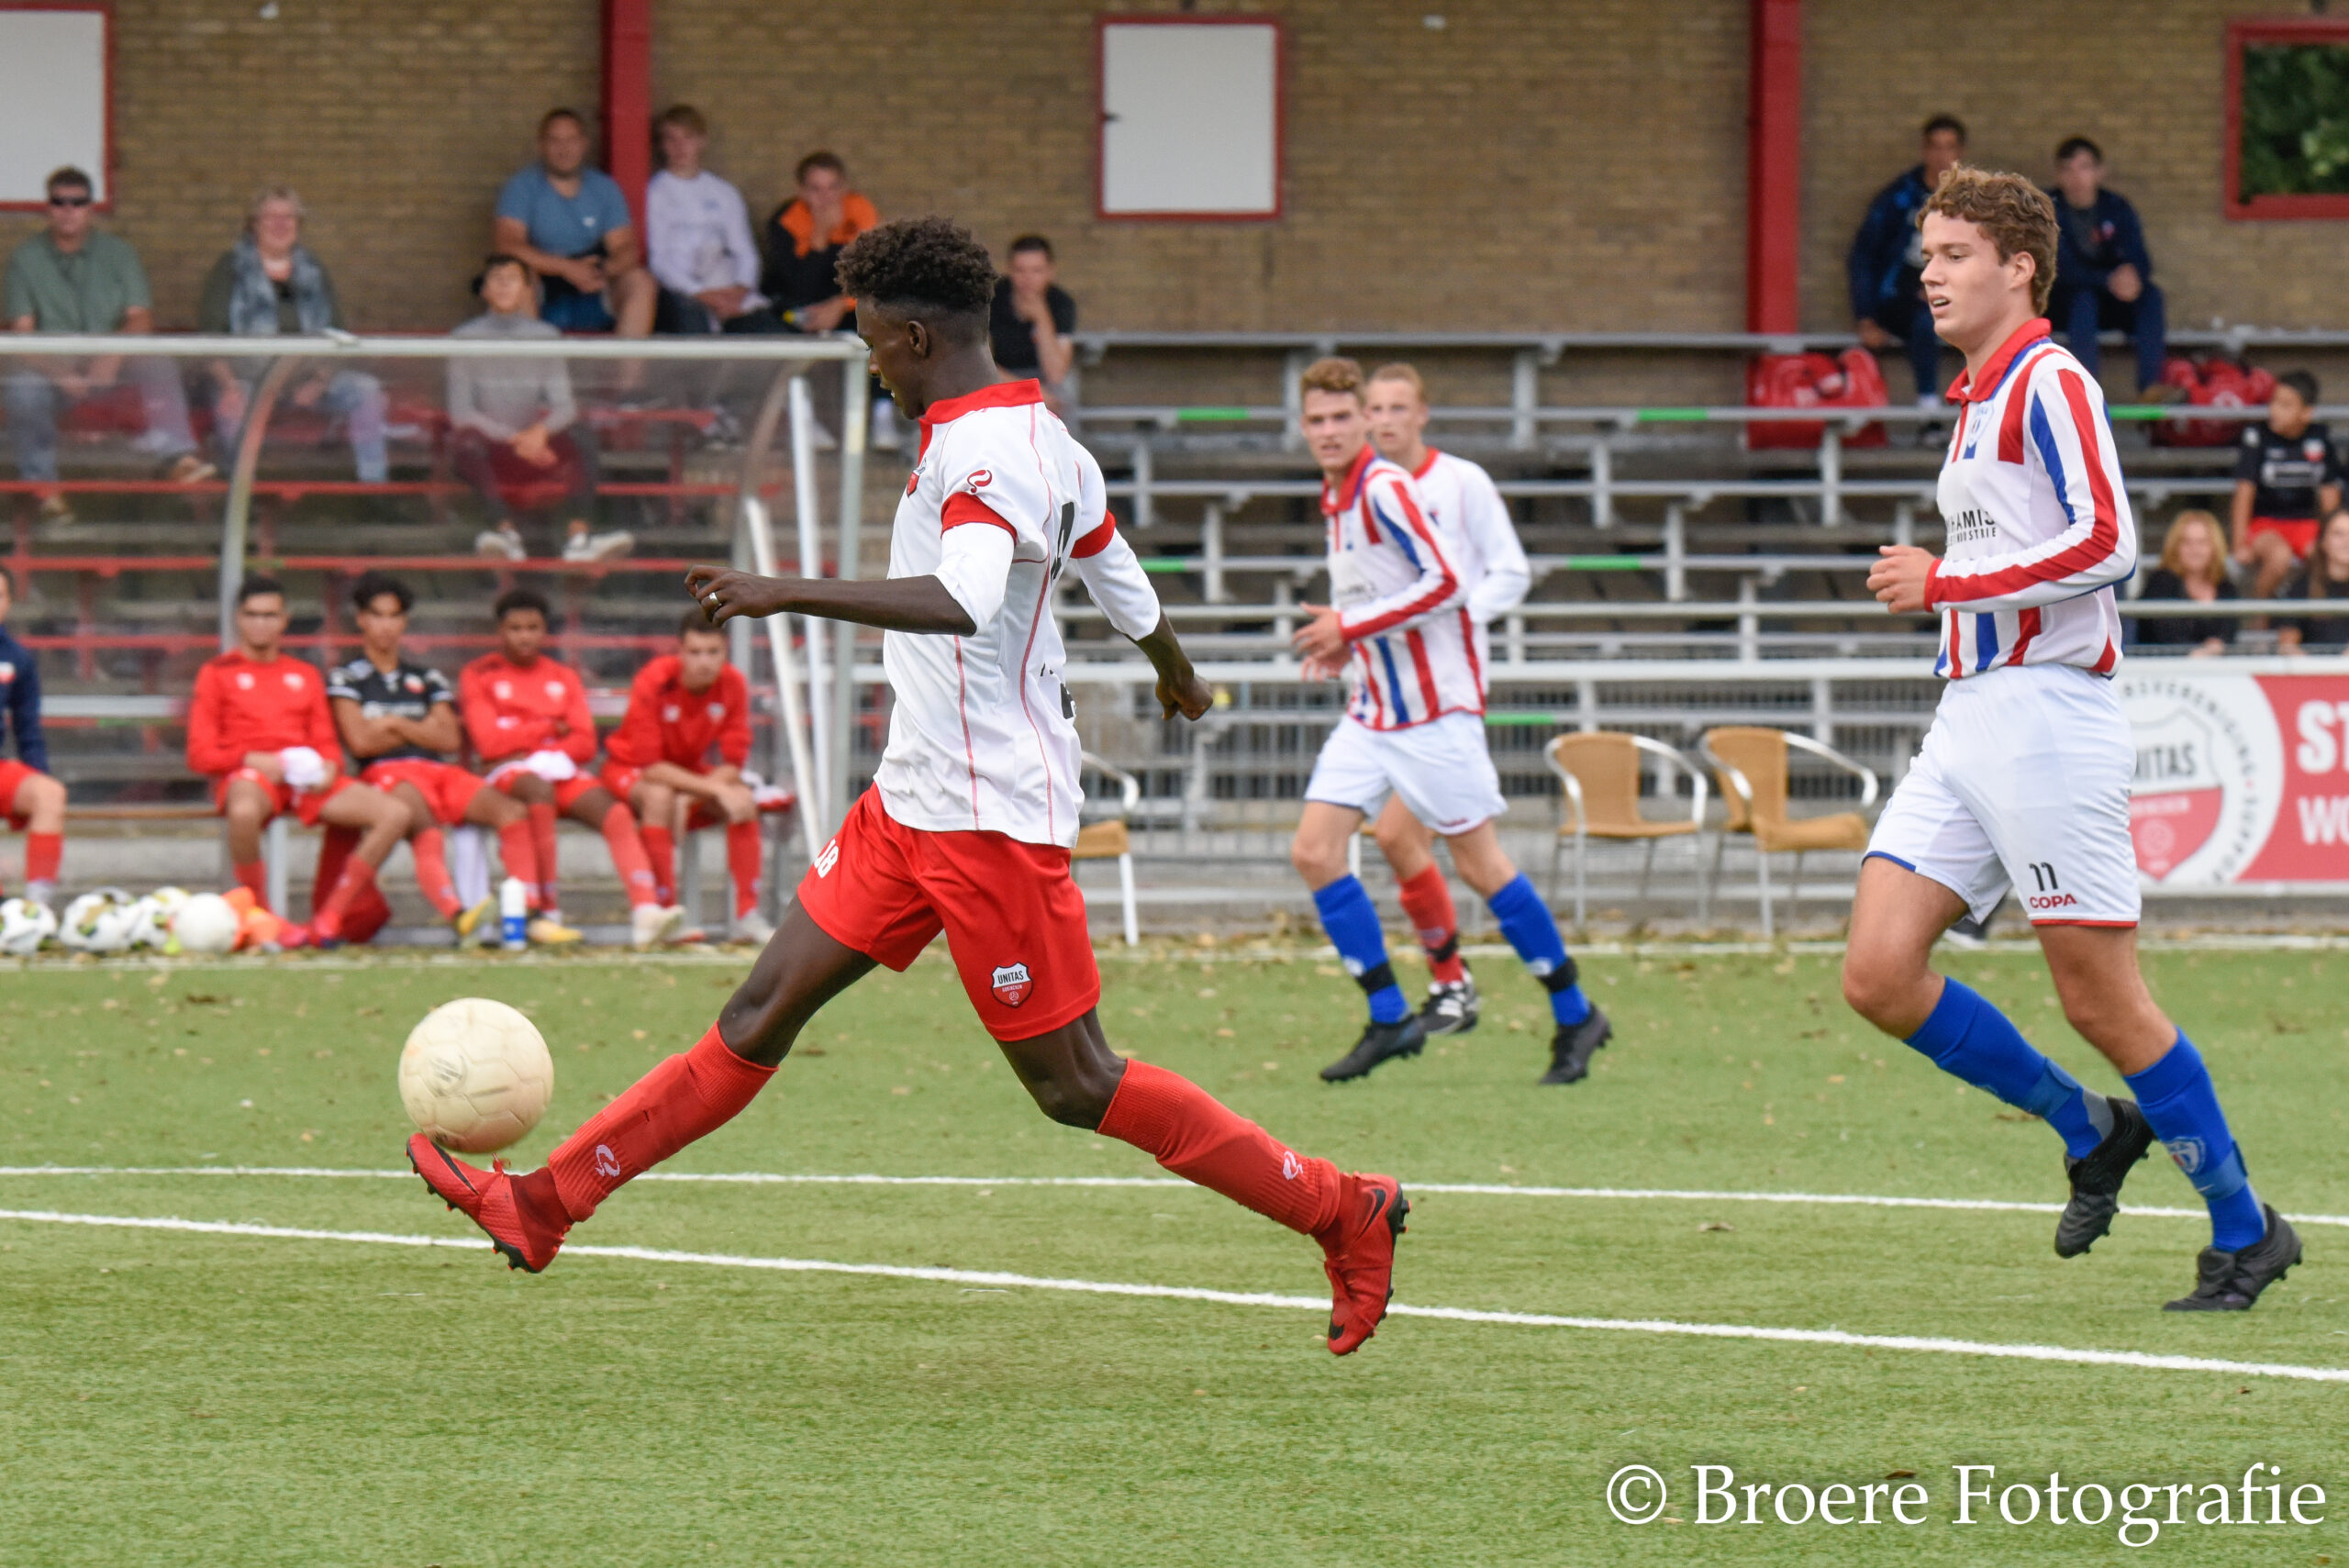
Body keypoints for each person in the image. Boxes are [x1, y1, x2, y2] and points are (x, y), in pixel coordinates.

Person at [407, 217, 1409, 1359]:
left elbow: (965, 598)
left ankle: (1342, 1206)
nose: (872, 362)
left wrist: (784, 589)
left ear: (919, 338)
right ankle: (545, 1203)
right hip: (911, 801)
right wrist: (1174, 670)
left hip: (989, 819)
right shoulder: (1043, 434)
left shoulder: (982, 456)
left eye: (875, 342)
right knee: (757, 1013)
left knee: (1075, 1082)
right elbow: (1113, 565)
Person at [1853, 168, 2299, 1311]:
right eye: (1925, 254)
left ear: (2018, 267)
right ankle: (2090, 1125)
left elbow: (2111, 543)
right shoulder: (1974, 395)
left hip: (2049, 717)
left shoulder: (2049, 380)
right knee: (1877, 972)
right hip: (1970, 716)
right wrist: (1954, 588)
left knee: (2101, 999)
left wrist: (1947, 579)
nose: (1928, 273)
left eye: (1953, 253)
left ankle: (2246, 1228)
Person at [1284, 357, 1605, 1086]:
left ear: (1364, 422)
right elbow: (1377, 591)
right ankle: (1391, 1015)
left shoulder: (1384, 487)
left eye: (1343, 417)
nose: (1331, 431)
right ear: (1303, 428)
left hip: (1433, 715)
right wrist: (1350, 643)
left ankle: (1576, 1011)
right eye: (1318, 420)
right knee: (1315, 850)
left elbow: (1450, 582)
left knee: (1481, 866)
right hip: (1374, 710)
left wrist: (1350, 625)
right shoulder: (1336, 495)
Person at [1357, 361, 1532, 1037]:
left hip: (1449, 689)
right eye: (1375, 408)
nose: (1386, 419)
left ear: (1422, 414)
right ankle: (1455, 984)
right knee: (1398, 835)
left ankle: (1560, 996)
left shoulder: (1463, 483)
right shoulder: (1361, 490)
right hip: (1392, 692)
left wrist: (1454, 617)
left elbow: (1509, 570)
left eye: (1398, 407)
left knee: (1469, 856)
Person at [328, 571, 580, 946]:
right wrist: (421, 726)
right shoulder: (346, 678)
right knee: (422, 825)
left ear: (404, 621)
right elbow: (361, 742)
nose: (386, 625)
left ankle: (528, 913)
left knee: (511, 812)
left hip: (439, 770)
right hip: (386, 772)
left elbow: (447, 738)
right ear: (362, 620)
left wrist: (394, 723)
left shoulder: (425, 677)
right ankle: (458, 916)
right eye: (377, 615)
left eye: (394, 616)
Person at [184, 576, 410, 947]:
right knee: (243, 812)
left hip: (303, 777)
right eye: (253, 615)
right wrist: (249, 758)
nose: (261, 623)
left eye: (270, 615)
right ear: (238, 619)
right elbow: (199, 754)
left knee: (394, 814)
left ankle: (330, 918)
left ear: (284, 620)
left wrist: (330, 767)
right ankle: (262, 918)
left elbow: (326, 741)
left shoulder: (304, 674)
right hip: (252, 775)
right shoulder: (217, 673)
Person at [459, 587, 682, 949]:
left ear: (545, 630)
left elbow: (585, 742)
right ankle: (546, 911)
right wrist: (549, 728)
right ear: (500, 631)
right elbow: (488, 743)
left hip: (558, 769)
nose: (525, 636)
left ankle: (646, 912)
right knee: (538, 791)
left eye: (533, 628)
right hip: (508, 772)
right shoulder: (480, 674)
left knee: (615, 813)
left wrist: (522, 735)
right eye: (515, 628)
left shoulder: (562, 676)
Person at [4, 166, 214, 525]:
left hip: (111, 368)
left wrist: (112, 356)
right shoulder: (25, 259)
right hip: (53, 370)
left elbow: (140, 318)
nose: (68, 210)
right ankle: (43, 487)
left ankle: (179, 458)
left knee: (157, 361)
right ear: (48, 208)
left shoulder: (120, 253)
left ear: (90, 208)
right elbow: (22, 334)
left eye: (77, 202)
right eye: (59, 202)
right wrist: (60, 373)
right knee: (22, 389)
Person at [196, 185, 389, 484]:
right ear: (254, 224)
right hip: (246, 380)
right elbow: (210, 335)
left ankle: (373, 487)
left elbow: (337, 333)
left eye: (289, 217)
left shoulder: (313, 269)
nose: (280, 224)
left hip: (305, 381)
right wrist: (229, 386)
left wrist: (319, 381)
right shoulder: (231, 268)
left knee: (366, 391)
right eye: (270, 217)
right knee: (234, 407)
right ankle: (242, 493)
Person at [448, 254, 633, 563]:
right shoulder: (464, 338)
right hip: (491, 445)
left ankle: (578, 539)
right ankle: (505, 536)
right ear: (485, 289)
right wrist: (516, 438)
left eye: (512, 279)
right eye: (496, 279)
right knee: (466, 442)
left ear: (527, 290)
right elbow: (461, 412)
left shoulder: (546, 336)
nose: (504, 285)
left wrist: (539, 434)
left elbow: (565, 406)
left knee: (583, 437)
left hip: (536, 444)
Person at [601, 612, 771, 943]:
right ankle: (664, 914)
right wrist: (706, 790)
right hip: (628, 767)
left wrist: (692, 796)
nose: (704, 662)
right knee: (660, 796)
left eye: (713, 652)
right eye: (695, 652)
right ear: (679, 651)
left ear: (725, 652)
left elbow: (733, 761)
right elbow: (651, 767)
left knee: (742, 800)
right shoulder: (655, 679)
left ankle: (748, 915)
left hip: (686, 774)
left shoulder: (733, 683)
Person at [754, 152, 898, 449]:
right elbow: (798, 285)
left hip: (848, 303)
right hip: (800, 305)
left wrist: (840, 305)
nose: (825, 198)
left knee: (885, 319)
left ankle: (883, 414)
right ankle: (805, 417)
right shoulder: (787, 220)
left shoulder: (860, 211)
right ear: (801, 190)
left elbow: (875, 275)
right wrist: (820, 235)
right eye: (815, 189)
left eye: (833, 188)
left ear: (844, 187)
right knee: (778, 324)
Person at [492, 108, 654, 337]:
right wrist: (567, 268)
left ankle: (626, 361)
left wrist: (601, 269)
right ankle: (534, 360)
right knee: (516, 280)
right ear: (541, 145)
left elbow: (626, 248)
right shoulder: (522, 187)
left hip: (595, 282)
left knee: (641, 282)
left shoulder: (604, 188)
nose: (564, 149)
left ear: (584, 144)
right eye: (555, 141)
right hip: (544, 284)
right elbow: (507, 245)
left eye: (571, 140)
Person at [1849, 116, 1968, 409]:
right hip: (1901, 298)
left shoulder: (1973, 201)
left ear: (1960, 153)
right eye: (1935, 147)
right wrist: (1866, 318)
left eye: (1949, 147)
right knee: (1924, 320)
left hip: (1956, 294)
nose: (1942, 156)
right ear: (1924, 151)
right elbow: (1863, 256)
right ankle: (1928, 409)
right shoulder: (1899, 198)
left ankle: (1988, 407)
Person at [2045, 138, 2172, 402]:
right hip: (2065, 305)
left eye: (2084, 168)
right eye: (2068, 169)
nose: (2076, 177)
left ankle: (2150, 386)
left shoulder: (2116, 207)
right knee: (2083, 299)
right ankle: (2085, 393)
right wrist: (2107, 279)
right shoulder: (2048, 209)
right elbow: (2058, 268)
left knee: (2151, 295)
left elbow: (2141, 258)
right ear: (2058, 175)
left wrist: (2133, 277)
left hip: (2113, 302)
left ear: (2099, 172)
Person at [644, 105, 765, 335]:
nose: (680, 147)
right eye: (671, 139)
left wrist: (740, 290)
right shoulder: (654, 193)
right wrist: (700, 293)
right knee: (694, 325)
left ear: (702, 141)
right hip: (680, 292)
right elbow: (658, 260)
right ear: (662, 145)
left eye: (687, 138)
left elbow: (744, 251)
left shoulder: (724, 192)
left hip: (727, 290)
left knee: (767, 330)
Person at [2232, 371, 2340, 601]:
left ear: (2306, 413)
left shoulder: (2320, 437)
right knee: (2279, 556)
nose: (2274, 411)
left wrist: (2330, 536)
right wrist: (2239, 543)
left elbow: (2330, 494)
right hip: (2265, 524)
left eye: (2286, 405)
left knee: (2325, 557)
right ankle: (2259, 615)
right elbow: (2244, 491)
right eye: (2273, 402)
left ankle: (2317, 616)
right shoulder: (2257, 435)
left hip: (2306, 523)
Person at [0, 566, 63, 908]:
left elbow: (28, 729)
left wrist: (36, 774)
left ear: (9, 602)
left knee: (50, 794)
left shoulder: (17, 658)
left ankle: (37, 910)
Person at [989, 235, 1074, 416]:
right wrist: (1029, 392)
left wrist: (1041, 317)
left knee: (1063, 398)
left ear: (1050, 272)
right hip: (1001, 377)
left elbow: (1056, 373)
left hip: (1044, 380)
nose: (1028, 279)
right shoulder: (991, 300)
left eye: (1037, 271)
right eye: (1020, 270)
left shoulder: (1061, 303)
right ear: (1008, 270)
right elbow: (981, 362)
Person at [2133, 511, 2238, 656]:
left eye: (2202, 542)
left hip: (2216, 667)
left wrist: (2215, 647)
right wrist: (2200, 653)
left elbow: (2227, 634)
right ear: (2175, 547)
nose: (2195, 549)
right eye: (2186, 542)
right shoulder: (2160, 584)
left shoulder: (2226, 588)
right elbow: (2164, 634)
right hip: (2163, 666)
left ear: (2215, 547)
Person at [2277, 509, 2349, 655]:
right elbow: (2287, 645)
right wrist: (2314, 666)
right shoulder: (2302, 587)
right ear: (2323, 542)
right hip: (2311, 667)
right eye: (2338, 534)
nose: (2347, 541)